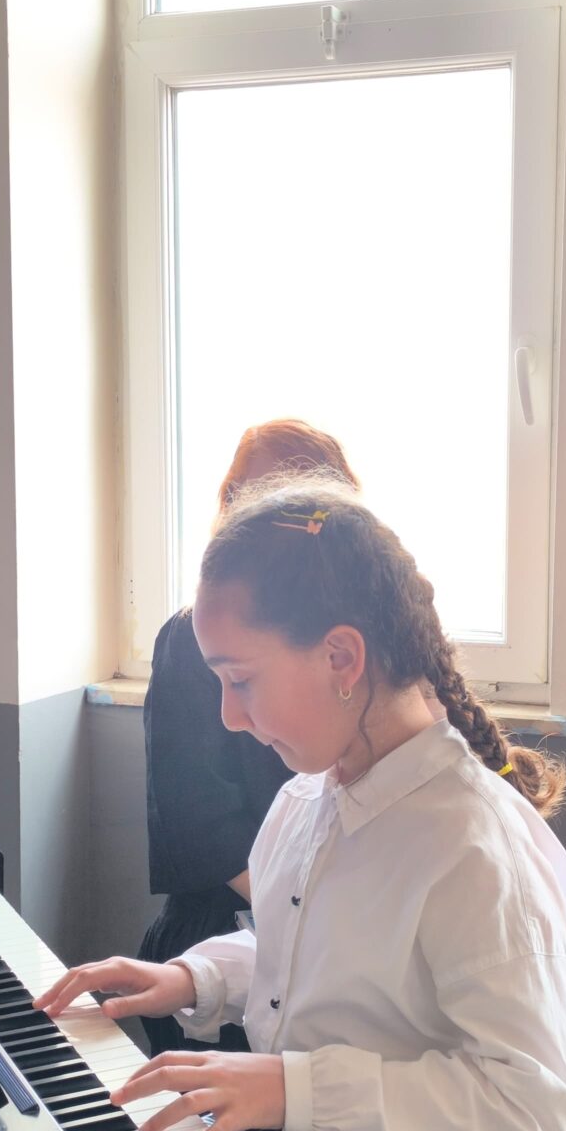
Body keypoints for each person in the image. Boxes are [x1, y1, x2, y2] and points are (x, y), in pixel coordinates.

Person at [34, 482, 566, 1131]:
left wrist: (291, 1087)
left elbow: (524, 1103)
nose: (228, 715)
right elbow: (319, 955)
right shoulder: (309, 797)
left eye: (239, 678)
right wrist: (194, 978)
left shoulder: (474, 847)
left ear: (341, 657)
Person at [135, 421, 359, 1055]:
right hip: (225, 923)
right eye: (249, 500)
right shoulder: (189, 639)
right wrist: (306, 930)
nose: (235, 714)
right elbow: (199, 824)